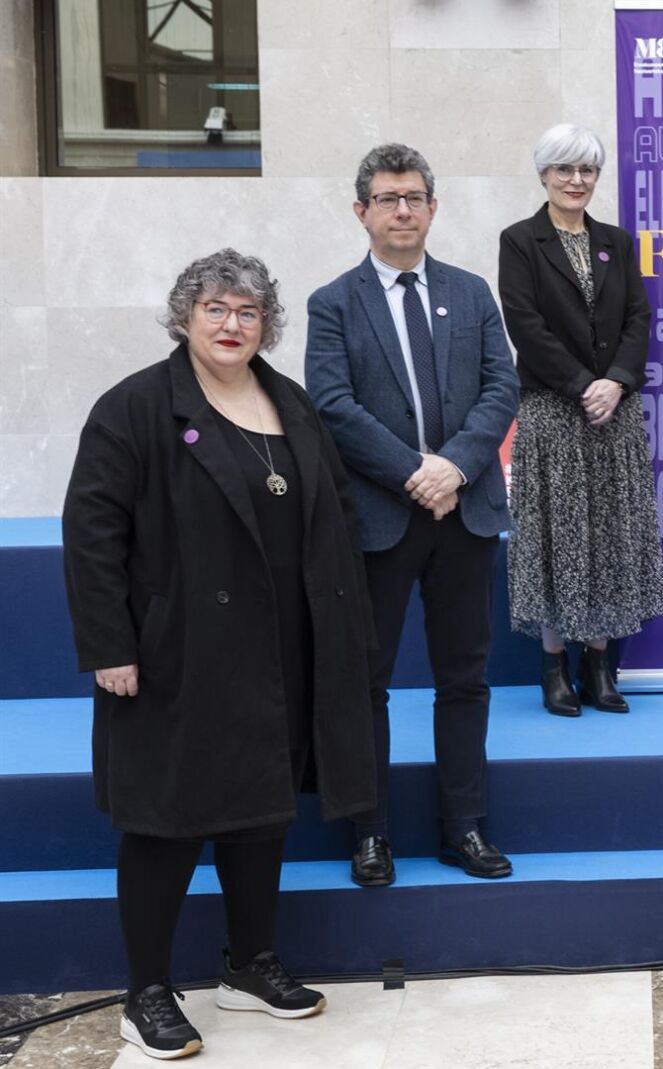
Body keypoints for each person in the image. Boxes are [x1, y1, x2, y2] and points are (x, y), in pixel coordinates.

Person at [63, 249, 377, 1059]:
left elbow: (334, 517)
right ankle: (146, 991)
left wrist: (345, 628)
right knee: (165, 821)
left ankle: (249, 964)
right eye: (216, 309)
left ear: (266, 324)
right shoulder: (135, 407)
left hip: (283, 648)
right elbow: (91, 536)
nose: (232, 324)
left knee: (263, 812)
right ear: (185, 317)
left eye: (248, 311)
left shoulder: (291, 402)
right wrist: (110, 645)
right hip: (176, 652)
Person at [305, 143, 522, 888]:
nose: (403, 210)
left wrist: (453, 467)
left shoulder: (471, 292)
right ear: (361, 211)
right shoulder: (333, 303)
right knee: (368, 681)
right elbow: (333, 405)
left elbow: (502, 387)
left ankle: (465, 826)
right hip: (381, 519)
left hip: (466, 511)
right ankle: (371, 833)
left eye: (415, 198)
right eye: (388, 198)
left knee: (465, 677)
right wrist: (415, 474)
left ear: (433, 208)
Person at [498, 123, 663, 716]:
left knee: (609, 535)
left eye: (587, 170)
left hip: (614, 411)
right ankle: (553, 667)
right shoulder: (521, 241)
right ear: (544, 174)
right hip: (552, 410)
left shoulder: (616, 242)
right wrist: (581, 385)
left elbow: (638, 318)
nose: (576, 180)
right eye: (564, 169)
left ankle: (598, 666)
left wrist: (615, 381)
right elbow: (524, 325)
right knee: (557, 535)